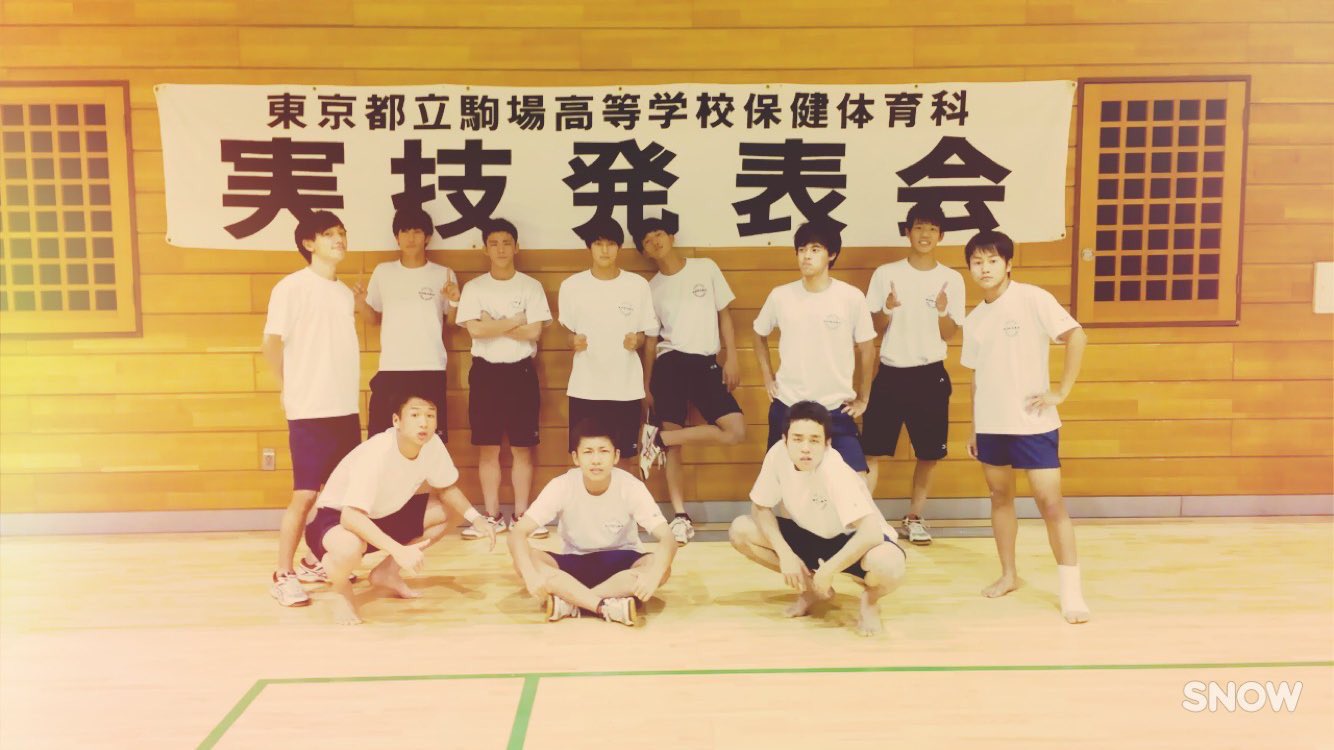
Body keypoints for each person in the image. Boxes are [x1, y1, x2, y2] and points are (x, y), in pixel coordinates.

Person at [961, 229, 1090, 624]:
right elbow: (976, 376)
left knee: (1050, 503)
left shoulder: (1032, 298)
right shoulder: (974, 319)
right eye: (977, 262)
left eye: (992, 260)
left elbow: (1076, 336)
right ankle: (1009, 575)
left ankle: (1072, 593)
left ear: (1008, 264)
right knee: (1000, 497)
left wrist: (1061, 391)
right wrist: (974, 426)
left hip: (1033, 423)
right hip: (991, 424)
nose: (984, 268)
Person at [303, 393, 495, 625]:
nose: (424, 422)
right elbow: (350, 516)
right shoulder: (377, 452)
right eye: (415, 415)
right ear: (397, 421)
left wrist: (477, 519)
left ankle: (387, 573)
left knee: (452, 511)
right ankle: (341, 589)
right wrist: (398, 550)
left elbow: (446, 488)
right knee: (349, 548)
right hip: (334, 519)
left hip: (383, 514)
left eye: (430, 416)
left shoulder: (432, 444)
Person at [728, 401, 907, 637]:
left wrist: (828, 571)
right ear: (785, 439)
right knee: (741, 530)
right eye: (798, 439)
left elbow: (871, 532)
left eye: (814, 440)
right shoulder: (777, 455)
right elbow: (760, 507)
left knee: (889, 564)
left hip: (852, 541)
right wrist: (785, 554)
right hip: (810, 535)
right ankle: (811, 589)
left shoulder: (835, 470)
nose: (805, 448)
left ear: (827, 443)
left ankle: (870, 601)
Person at [261, 211, 362, 607]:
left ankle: (315, 561)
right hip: (309, 409)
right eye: (329, 234)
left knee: (338, 496)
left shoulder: (343, 293)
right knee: (305, 494)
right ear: (309, 243)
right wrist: (286, 385)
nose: (339, 239)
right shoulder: (291, 287)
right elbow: (271, 344)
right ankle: (283, 574)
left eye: (342, 233)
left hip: (344, 408)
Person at [634, 217, 746, 545]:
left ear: (671, 236)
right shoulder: (651, 288)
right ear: (644, 250)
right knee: (675, 447)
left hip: (706, 363)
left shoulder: (705, 268)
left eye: (659, 234)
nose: (655, 241)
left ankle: (660, 440)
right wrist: (646, 385)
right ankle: (680, 516)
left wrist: (732, 357)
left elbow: (724, 314)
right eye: (647, 240)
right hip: (669, 364)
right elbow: (651, 342)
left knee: (736, 431)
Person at [861, 203, 966, 545]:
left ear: (941, 236)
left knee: (929, 453)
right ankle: (863, 520)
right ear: (907, 232)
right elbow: (874, 327)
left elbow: (949, 334)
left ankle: (915, 517)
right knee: (870, 452)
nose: (925, 234)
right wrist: (887, 308)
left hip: (930, 376)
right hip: (890, 373)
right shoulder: (886, 273)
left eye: (932, 229)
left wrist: (941, 312)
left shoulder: (952, 279)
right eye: (919, 227)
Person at [508, 419, 677, 626]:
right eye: (588, 452)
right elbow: (517, 533)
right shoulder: (562, 485)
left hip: (622, 562)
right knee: (525, 560)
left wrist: (655, 574)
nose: (596, 460)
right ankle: (606, 606)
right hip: (574, 562)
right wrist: (529, 574)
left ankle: (572, 602)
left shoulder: (631, 486)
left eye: (603, 451)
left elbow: (668, 538)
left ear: (616, 456)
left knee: (660, 567)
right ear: (576, 458)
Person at [752, 220, 877, 475]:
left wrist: (864, 398)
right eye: (801, 249)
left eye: (815, 249)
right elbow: (758, 334)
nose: (806, 256)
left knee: (857, 480)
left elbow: (868, 348)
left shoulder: (851, 297)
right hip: (788, 405)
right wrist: (767, 377)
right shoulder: (780, 296)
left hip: (835, 408)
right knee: (782, 481)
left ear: (832, 254)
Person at [455, 218, 551, 538]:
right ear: (485, 249)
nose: (500, 249)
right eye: (493, 243)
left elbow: (534, 332)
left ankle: (522, 515)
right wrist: (514, 320)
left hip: (521, 372)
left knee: (523, 448)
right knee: (488, 448)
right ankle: (492, 515)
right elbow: (475, 330)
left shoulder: (530, 287)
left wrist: (492, 323)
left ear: (516, 247)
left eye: (506, 243)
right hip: (485, 373)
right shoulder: (475, 288)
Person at [556, 217, 659, 465]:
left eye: (611, 244)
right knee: (585, 458)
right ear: (589, 247)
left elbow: (646, 334)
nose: (605, 250)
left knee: (625, 458)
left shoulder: (637, 285)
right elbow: (567, 334)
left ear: (619, 247)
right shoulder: (571, 286)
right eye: (598, 244)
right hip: (585, 387)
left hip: (626, 387)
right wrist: (573, 341)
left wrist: (637, 340)